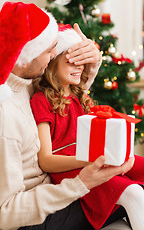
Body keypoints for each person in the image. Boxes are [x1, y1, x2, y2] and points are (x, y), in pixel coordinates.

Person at [0, 1, 134, 230]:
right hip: (27, 221)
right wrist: (80, 184)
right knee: (129, 196)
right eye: (49, 50)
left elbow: (62, 93)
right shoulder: (0, 117)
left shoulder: (22, 79)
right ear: (26, 56)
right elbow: (5, 213)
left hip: (52, 189)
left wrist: (91, 62)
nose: (55, 55)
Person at [31, 25, 144, 230]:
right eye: (72, 61)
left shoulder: (78, 95)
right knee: (133, 194)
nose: (80, 67)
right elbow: (46, 160)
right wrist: (90, 160)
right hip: (73, 167)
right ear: (53, 61)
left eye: (82, 62)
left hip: (93, 157)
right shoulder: (42, 100)